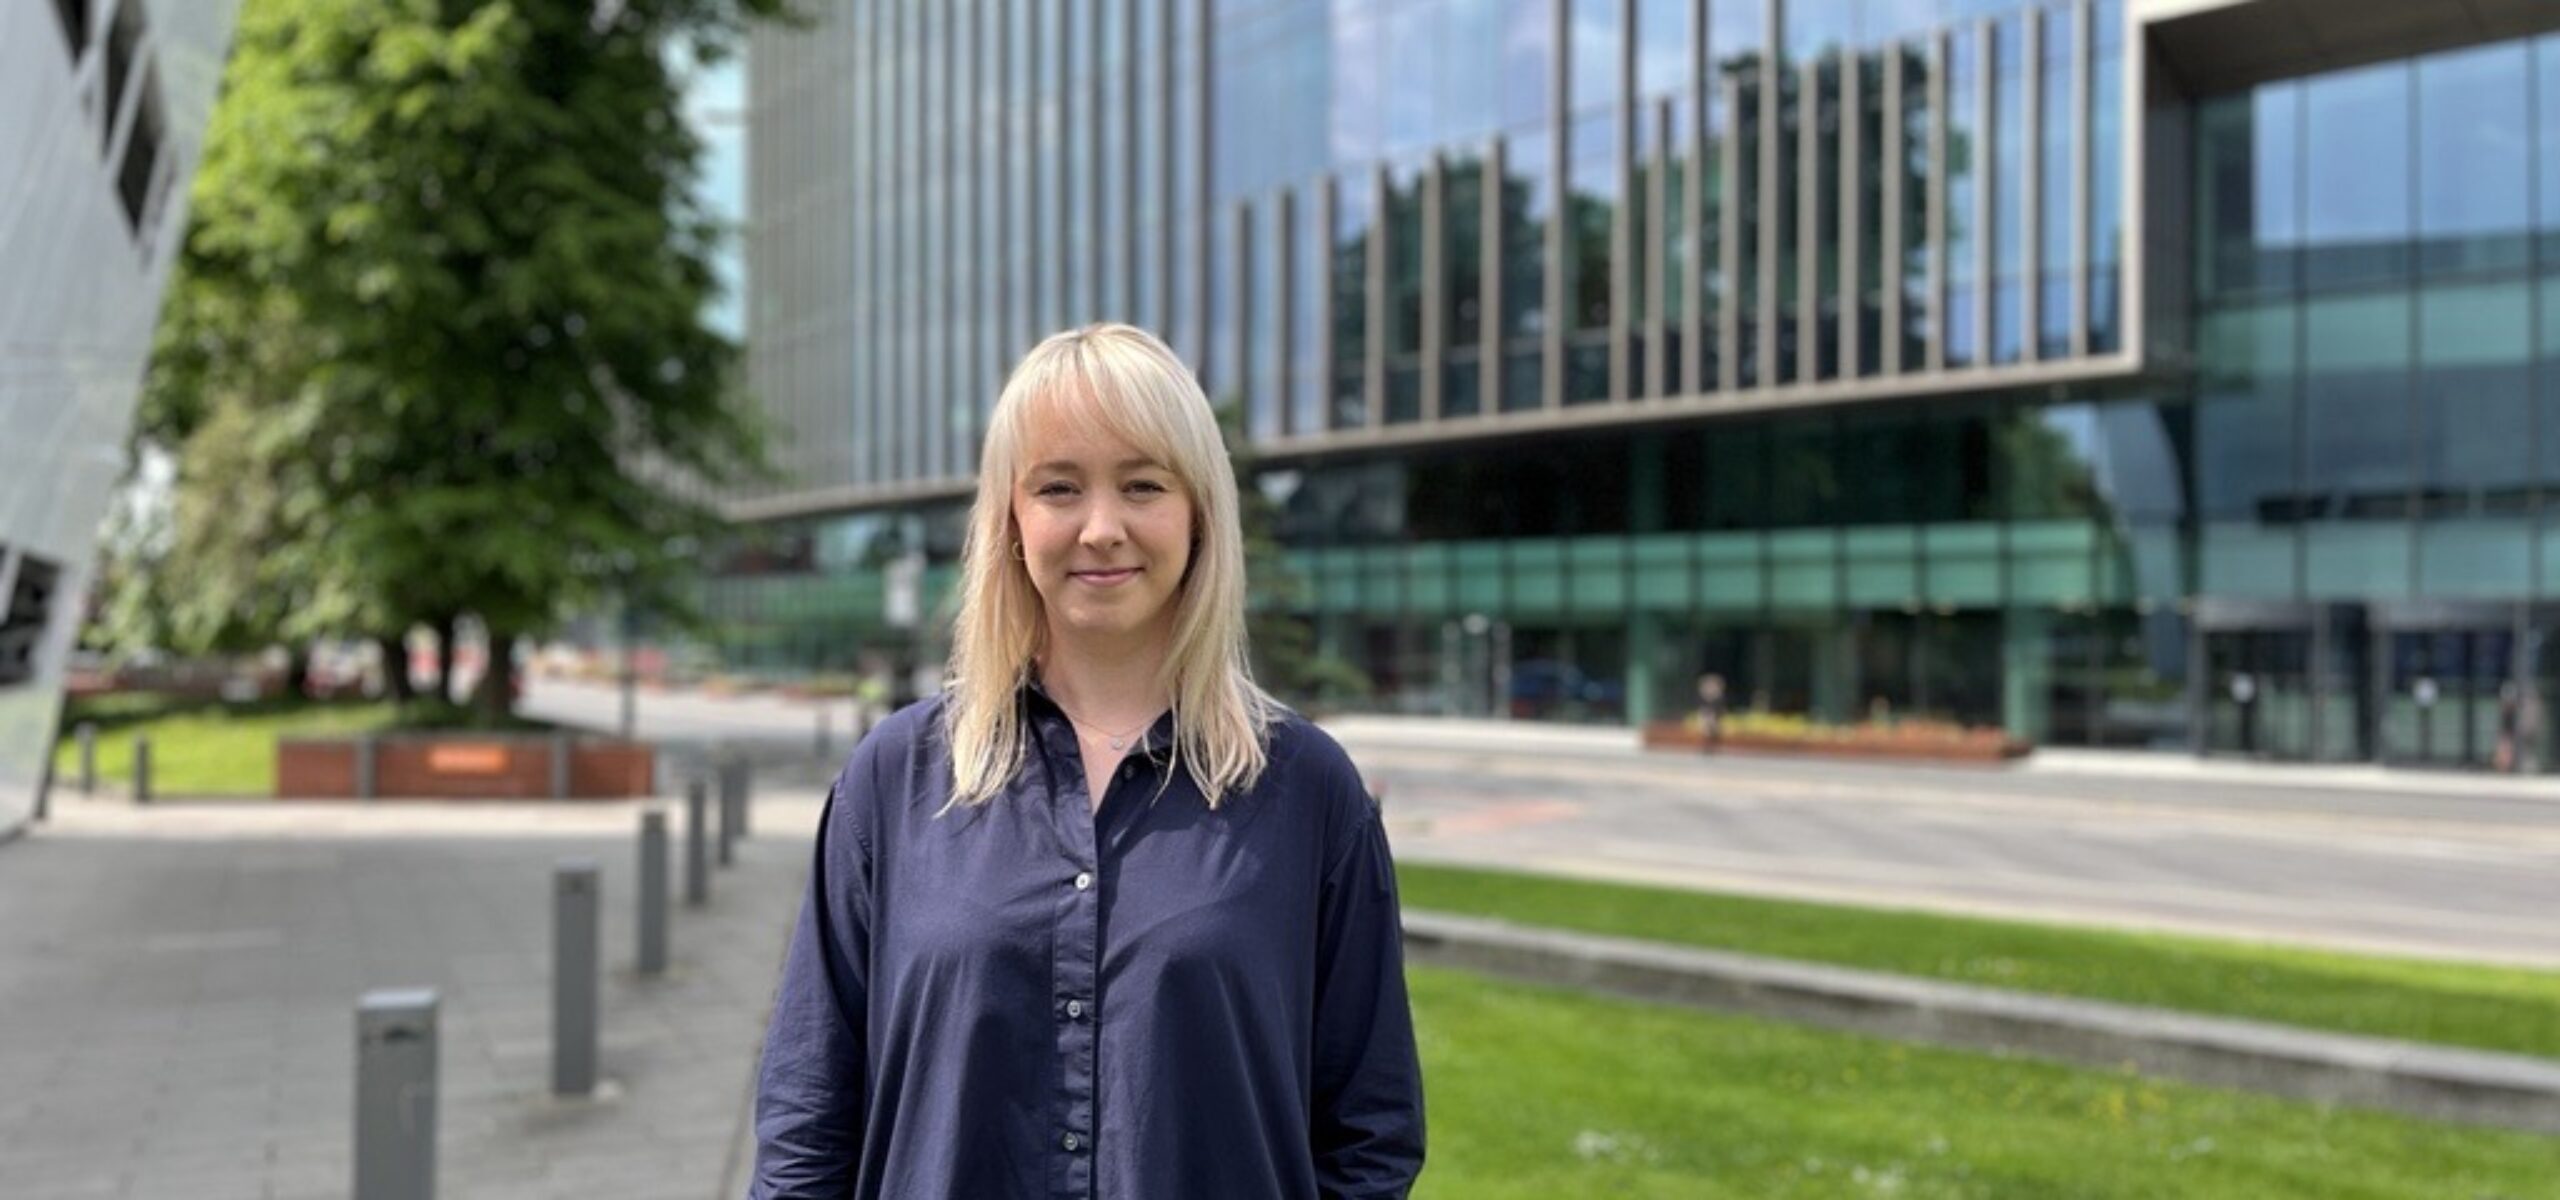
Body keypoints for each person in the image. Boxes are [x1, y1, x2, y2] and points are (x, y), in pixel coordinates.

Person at [751, 324, 1426, 1198]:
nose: (1101, 528)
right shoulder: (896, 777)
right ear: (1012, 521)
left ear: (1199, 513)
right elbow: (808, 1116)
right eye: (1059, 487)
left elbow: (1370, 1133)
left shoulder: (1306, 790)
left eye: (1142, 484)